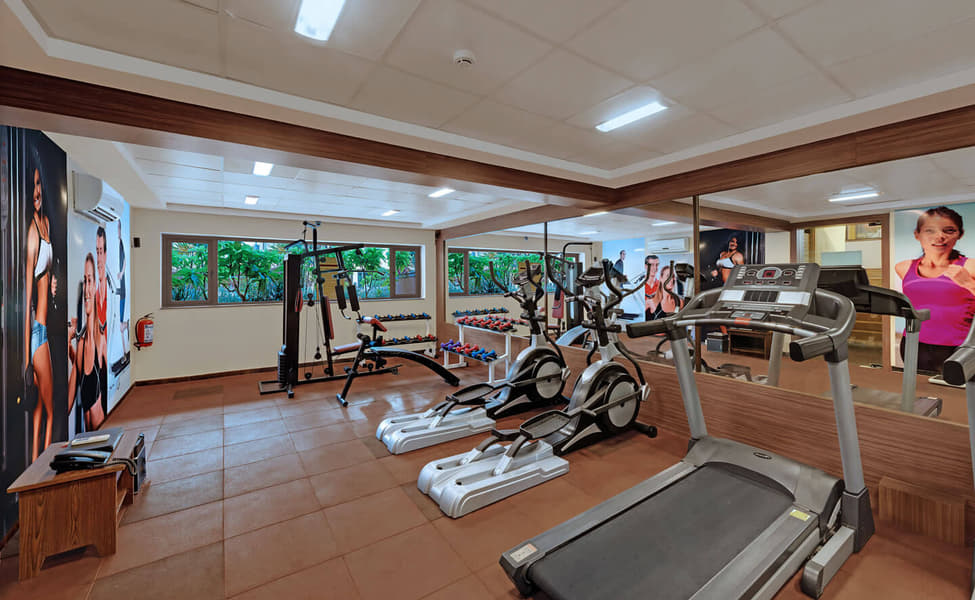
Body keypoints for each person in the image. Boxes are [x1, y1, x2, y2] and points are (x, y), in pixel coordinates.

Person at [895, 206, 975, 373]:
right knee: (917, 386)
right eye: (930, 230)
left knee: (956, 389)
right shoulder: (903, 267)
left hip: (959, 347)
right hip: (913, 342)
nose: (939, 237)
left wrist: (968, 283)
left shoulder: (970, 266)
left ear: (960, 234)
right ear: (917, 234)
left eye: (949, 230)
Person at [24, 148, 57, 461]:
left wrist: (52, 280)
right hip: (37, 332)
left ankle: (35, 465)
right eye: (31, 185)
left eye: (38, 184)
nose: (36, 191)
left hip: (44, 329)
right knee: (50, 409)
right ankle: (46, 470)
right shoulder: (32, 234)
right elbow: (27, 298)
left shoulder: (45, 222)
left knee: (38, 410)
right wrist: (25, 359)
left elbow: (45, 276)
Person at [67, 254, 104, 430]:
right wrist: (68, 343)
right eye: (85, 281)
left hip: (100, 427)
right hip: (87, 434)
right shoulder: (81, 344)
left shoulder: (101, 340)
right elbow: (68, 403)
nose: (87, 289)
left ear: (95, 286)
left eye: (90, 281)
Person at [95, 226, 110, 416]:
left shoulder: (111, 291)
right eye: (96, 251)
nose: (99, 257)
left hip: (106, 365)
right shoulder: (92, 293)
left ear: (106, 254)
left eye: (101, 251)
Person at [643, 254, 663, 320]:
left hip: (657, 321)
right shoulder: (639, 286)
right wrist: (648, 304)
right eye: (651, 265)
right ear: (646, 266)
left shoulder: (661, 286)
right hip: (642, 322)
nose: (655, 268)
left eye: (657, 265)